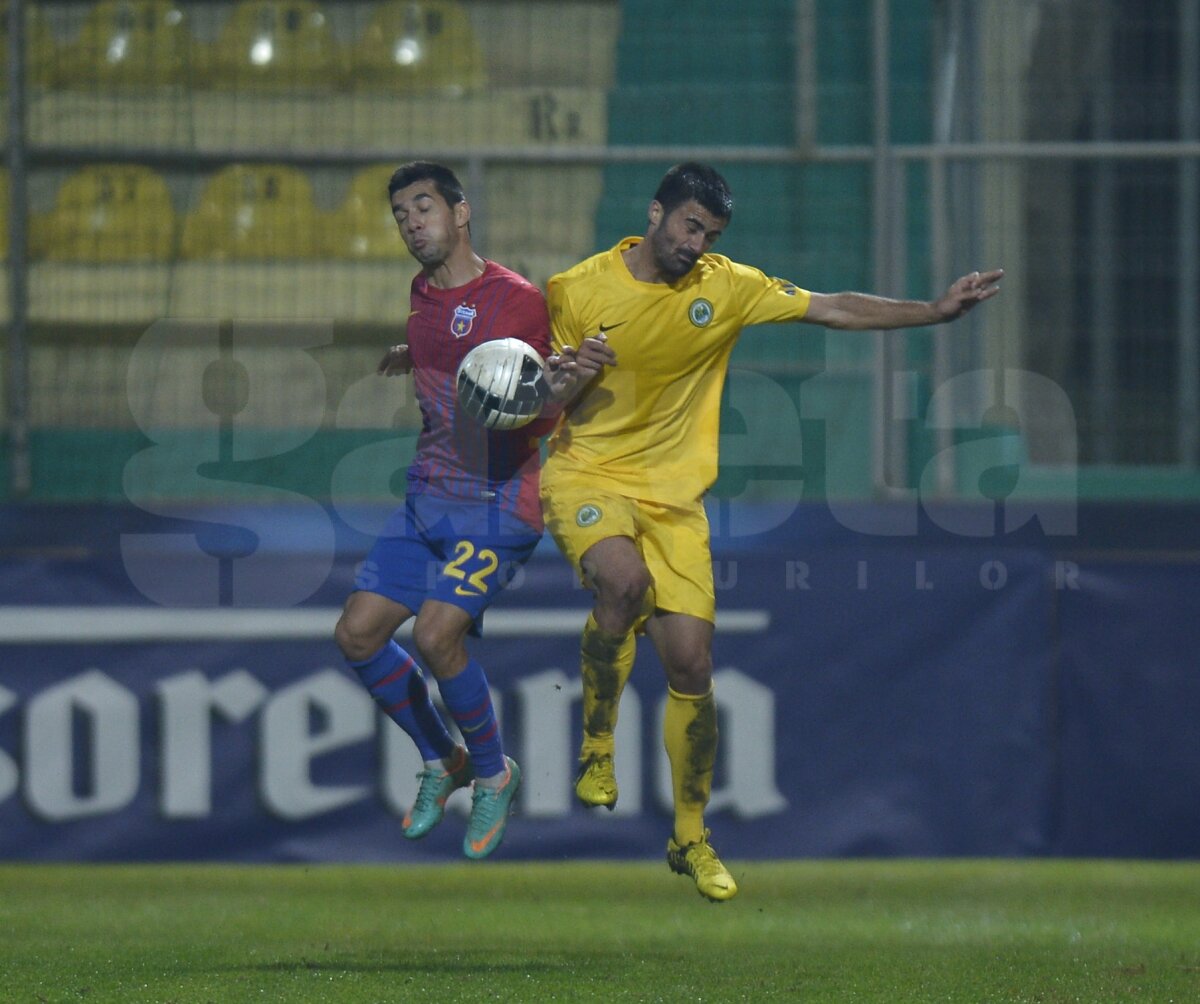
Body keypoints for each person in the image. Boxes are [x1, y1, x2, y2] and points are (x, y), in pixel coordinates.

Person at [541, 161, 1004, 900]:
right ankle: (597, 743)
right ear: (656, 213)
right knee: (623, 584)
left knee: (691, 665)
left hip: (675, 502)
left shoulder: (726, 287)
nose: (697, 243)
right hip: (587, 476)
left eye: (711, 233)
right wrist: (573, 374)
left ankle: (690, 838)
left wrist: (933, 311)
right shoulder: (576, 289)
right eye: (690, 225)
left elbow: (833, 309)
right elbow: (546, 399)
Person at [334, 161, 561, 860]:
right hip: (427, 499)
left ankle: (493, 772)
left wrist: (566, 381)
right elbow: (455, 350)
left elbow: (538, 392)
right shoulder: (422, 295)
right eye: (400, 213)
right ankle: (443, 759)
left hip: (497, 501)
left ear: (462, 214)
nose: (411, 222)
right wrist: (412, 352)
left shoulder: (517, 301)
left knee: (436, 636)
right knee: (358, 636)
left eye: (424, 207)